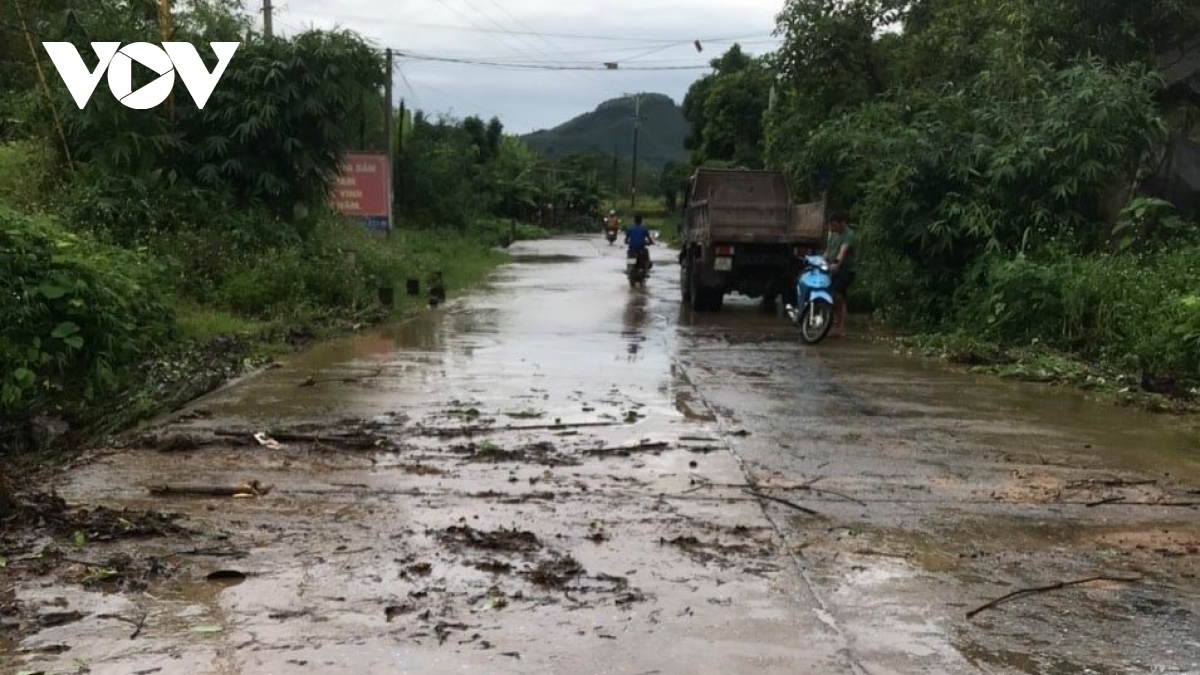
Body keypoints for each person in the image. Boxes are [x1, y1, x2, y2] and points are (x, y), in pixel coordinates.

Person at [824, 211, 857, 337]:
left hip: (846, 270)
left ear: (842, 223)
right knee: (835, 296)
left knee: (837, 295)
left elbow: (843, 251)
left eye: (835, 226)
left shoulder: (849, 234)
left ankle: (841, 324)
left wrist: (836, 263)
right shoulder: (833, 233)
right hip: (833, 269)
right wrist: (818, 260)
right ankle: (837, 323)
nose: (833, 228)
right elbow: (828, 251)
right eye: (831, 226)